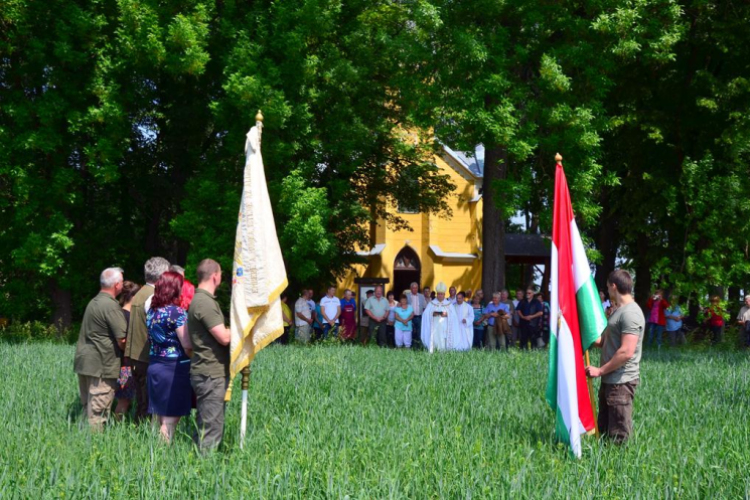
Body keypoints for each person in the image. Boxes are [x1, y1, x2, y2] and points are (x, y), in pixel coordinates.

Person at [586, 269, 645, 444]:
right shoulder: (618, 311)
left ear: (613, 286)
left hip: (621, 382)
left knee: (618, 437)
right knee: (604, 433)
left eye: (608, 287)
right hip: (610, 380)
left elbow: (626, 351)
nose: (608, 291)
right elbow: (603, 341)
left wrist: (600, 370)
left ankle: (618, 470)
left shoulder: (631, 313)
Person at [73, 267, 127, 430]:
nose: (123, 286)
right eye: (122, 282)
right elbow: (122, 339)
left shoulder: (94, 301)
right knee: (98, 414)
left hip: (86, 364)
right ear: (117, 285)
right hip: (102, 366)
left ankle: (83, 445)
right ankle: (94, 451)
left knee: (88, 409)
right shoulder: (110, 306)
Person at [188, 258, 231, 453]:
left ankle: (197, 466)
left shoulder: (201, 300)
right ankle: (204, 472)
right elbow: (223, 337)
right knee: (211, 431)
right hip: (210, 374)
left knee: (206, 426)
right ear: (215, 276)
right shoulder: (204, 302)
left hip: (207, 372)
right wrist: (242, 329)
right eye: (220, 273)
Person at [146, 271, 192, 443]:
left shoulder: (152, 312)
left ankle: (154, 457)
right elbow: (187, 344)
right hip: (173, 369)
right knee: (170, 421)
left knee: (160, 419)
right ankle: (161, 463)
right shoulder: (176, 313)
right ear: (174, 289)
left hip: (155, 366)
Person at [124, 256, 170, 422]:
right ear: (162, 275)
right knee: (147, 404)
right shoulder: (153, 297)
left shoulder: (139, 294)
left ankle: (139, 436)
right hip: (146, 357)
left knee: (142, 401)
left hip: (135, 356)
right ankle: (143, 440)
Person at [114, 281, 141, 420]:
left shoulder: (118, 313)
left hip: (123, 364)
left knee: (126, 399)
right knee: (124, 399)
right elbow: (122, 341)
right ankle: (116, 427)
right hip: (126, 366)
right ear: (135, 296)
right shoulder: (127, 316)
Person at [421, 282, 470, 351]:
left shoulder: (449, 304)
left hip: (445, 326)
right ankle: (434, 350)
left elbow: (453, 316)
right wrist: (432, 313)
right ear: (437, 294)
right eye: (439, 294)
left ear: (444, 295)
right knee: (435, 338)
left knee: (444, 339)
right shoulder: (431, 303)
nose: (440, 295)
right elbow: (425, 314)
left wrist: (447, 314)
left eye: (442, 294)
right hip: (435, 326)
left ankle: (444, 351)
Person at [405, 282, 426, 349]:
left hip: (419, 317)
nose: (415, 289)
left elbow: (424, 307)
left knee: (419, 332)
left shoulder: (421, 296)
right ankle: (410, 346)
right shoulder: (407, 296)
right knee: (410, 332)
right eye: (413, 288)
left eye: (416, 288)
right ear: (411, 288)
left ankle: (418, 346)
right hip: (409, 317)